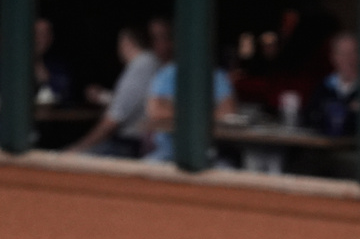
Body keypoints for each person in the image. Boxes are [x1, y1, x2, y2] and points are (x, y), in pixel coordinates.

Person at [65, 26, 161, 157]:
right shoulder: (149, 62)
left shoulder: (142, 65)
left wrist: (77, 148)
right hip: (136, 141)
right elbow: (130, 101)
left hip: (131, 144)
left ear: (127, 42)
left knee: (66, 161)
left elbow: (114, 119)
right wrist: (102, 96)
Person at [142, 61, 237, 162]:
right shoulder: (168, 73)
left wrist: (174, 109)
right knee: (147, 165)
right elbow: (156, 111)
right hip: (167, 151)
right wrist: (204, 112)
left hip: (210, 153)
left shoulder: (217, 75)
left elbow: (227, 112)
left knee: (226, 169)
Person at [305, 31, 360, 137]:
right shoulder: (324, 86)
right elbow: (309, 118)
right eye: (343, 54)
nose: (349, 59)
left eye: (353, 52)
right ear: (333, 57)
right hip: (324, 149)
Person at [34, 18, 73, 105]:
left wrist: (47, 78)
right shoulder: (11, 61)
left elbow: (65, 93)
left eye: (44, 34)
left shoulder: (57, 64)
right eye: (36, 33)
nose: (38, 39)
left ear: (51, 38)